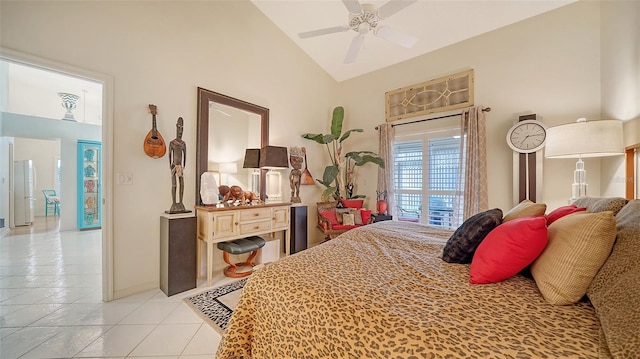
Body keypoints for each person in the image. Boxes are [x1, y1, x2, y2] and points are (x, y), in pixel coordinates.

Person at [168, 117, 189, 213]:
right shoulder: (172, 143)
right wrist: (170, 165)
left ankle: (180, 202)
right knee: (174, 185)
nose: (180, 130)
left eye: (182, 128)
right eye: (179, 127)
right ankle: (174, 202)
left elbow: (185, 156)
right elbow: (169, 155)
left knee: (182, 184)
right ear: (176, 127)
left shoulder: (183, 144)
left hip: (180, 166)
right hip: (174, 165)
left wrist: (183, 166)